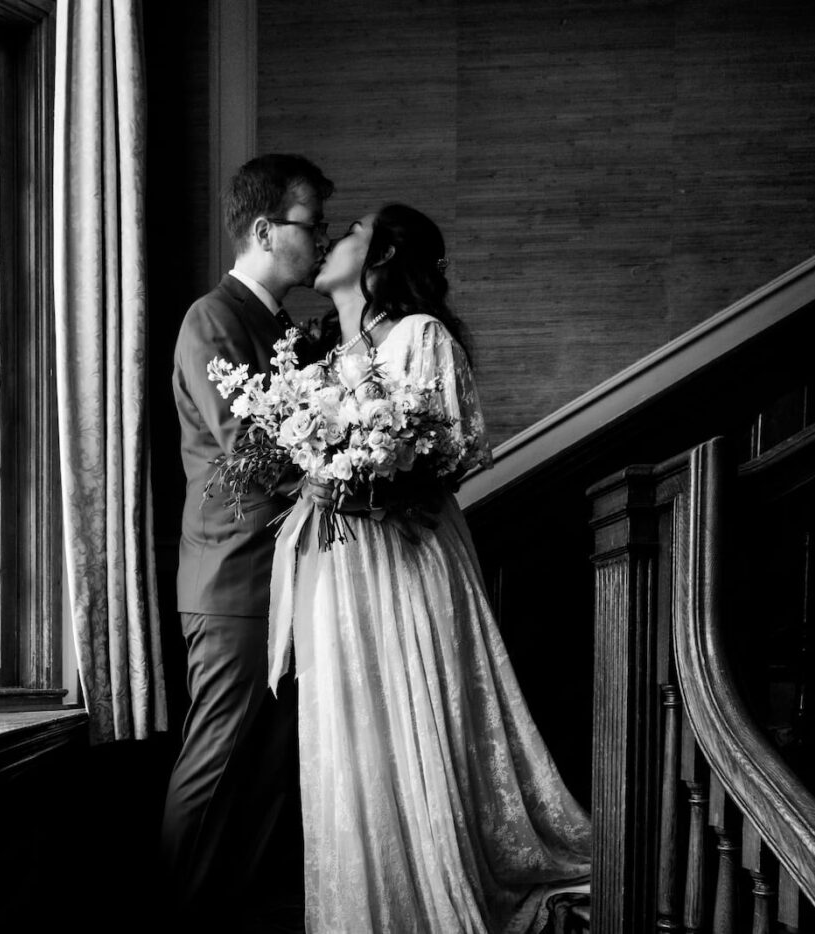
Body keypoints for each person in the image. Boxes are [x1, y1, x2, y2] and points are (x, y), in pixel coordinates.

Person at [268, 203, 593, 933]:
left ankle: (435, 879)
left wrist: (373, 475)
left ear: (382, 256)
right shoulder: (322, 358)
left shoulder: (421, 336)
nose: (329, 241)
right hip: (337, 571)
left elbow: (452, 452)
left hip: (405, 558)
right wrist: (315, 479)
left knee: (418, 716)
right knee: (352, 731)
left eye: (349, 232)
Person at [162, 153, 334, 932]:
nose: (323, 237)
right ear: (266, 230)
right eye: (312, 223)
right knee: (219, 762)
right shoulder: (212, 318)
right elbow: (247, 450)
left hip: (289, 583)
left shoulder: (283, 328)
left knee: (268, 775)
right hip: (231, 584)